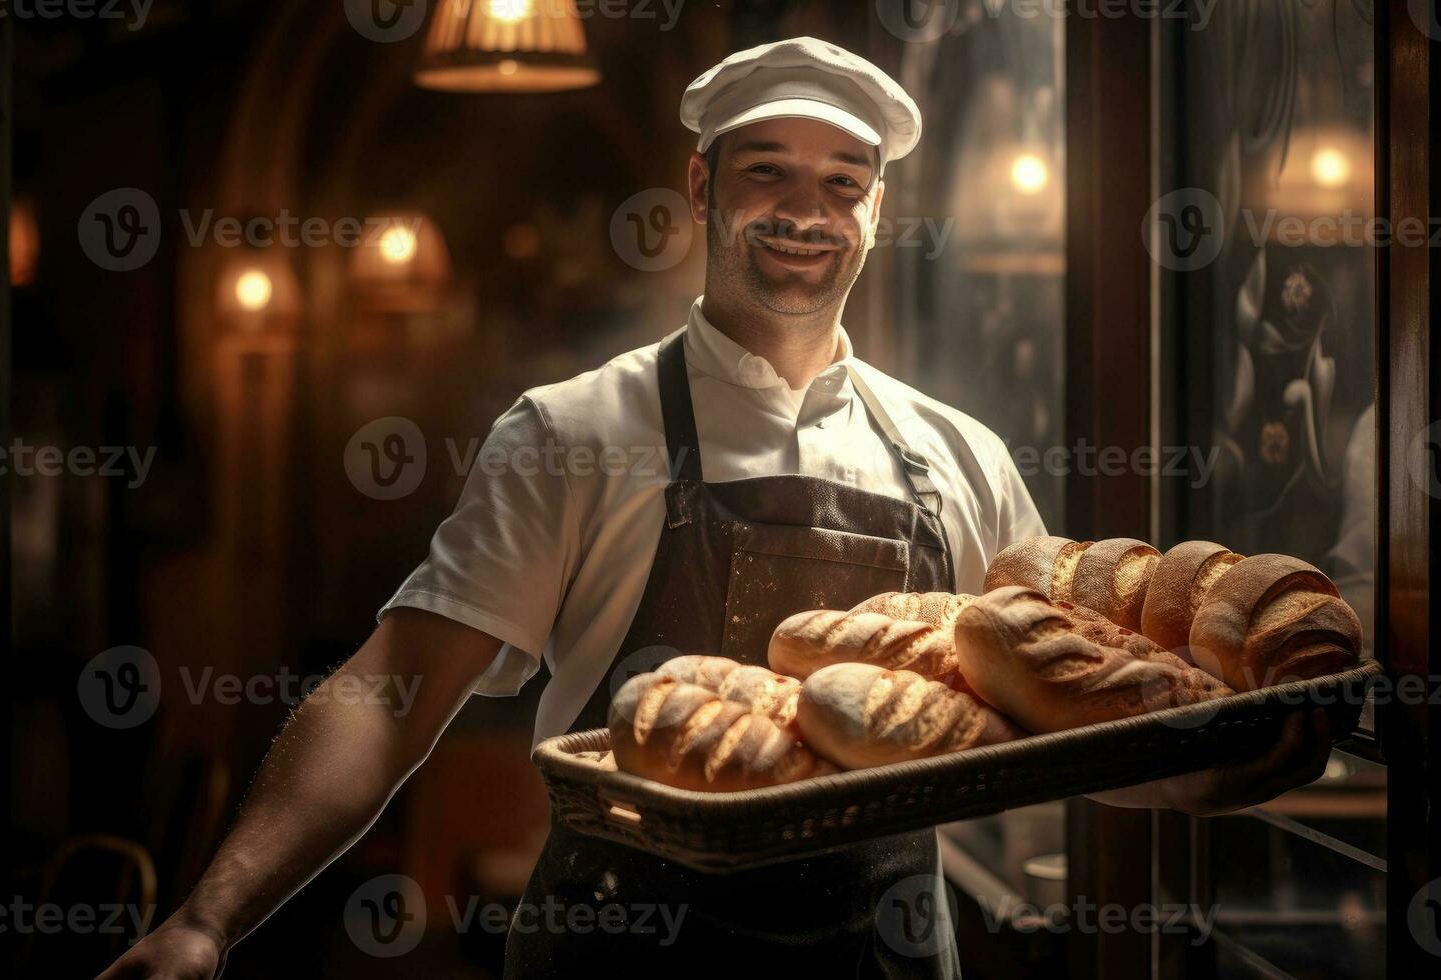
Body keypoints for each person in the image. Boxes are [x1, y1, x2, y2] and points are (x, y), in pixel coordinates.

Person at [100, 37, 1333, 980]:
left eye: (843, 182)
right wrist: (211, 918)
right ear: (699, 186)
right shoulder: (577, 430)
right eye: (768, 175)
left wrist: (1247, 747)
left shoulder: (954, 453)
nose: (808, 210)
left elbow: (1056, 725)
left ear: (878, 210)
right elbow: (392, 690)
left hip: (888, 953)